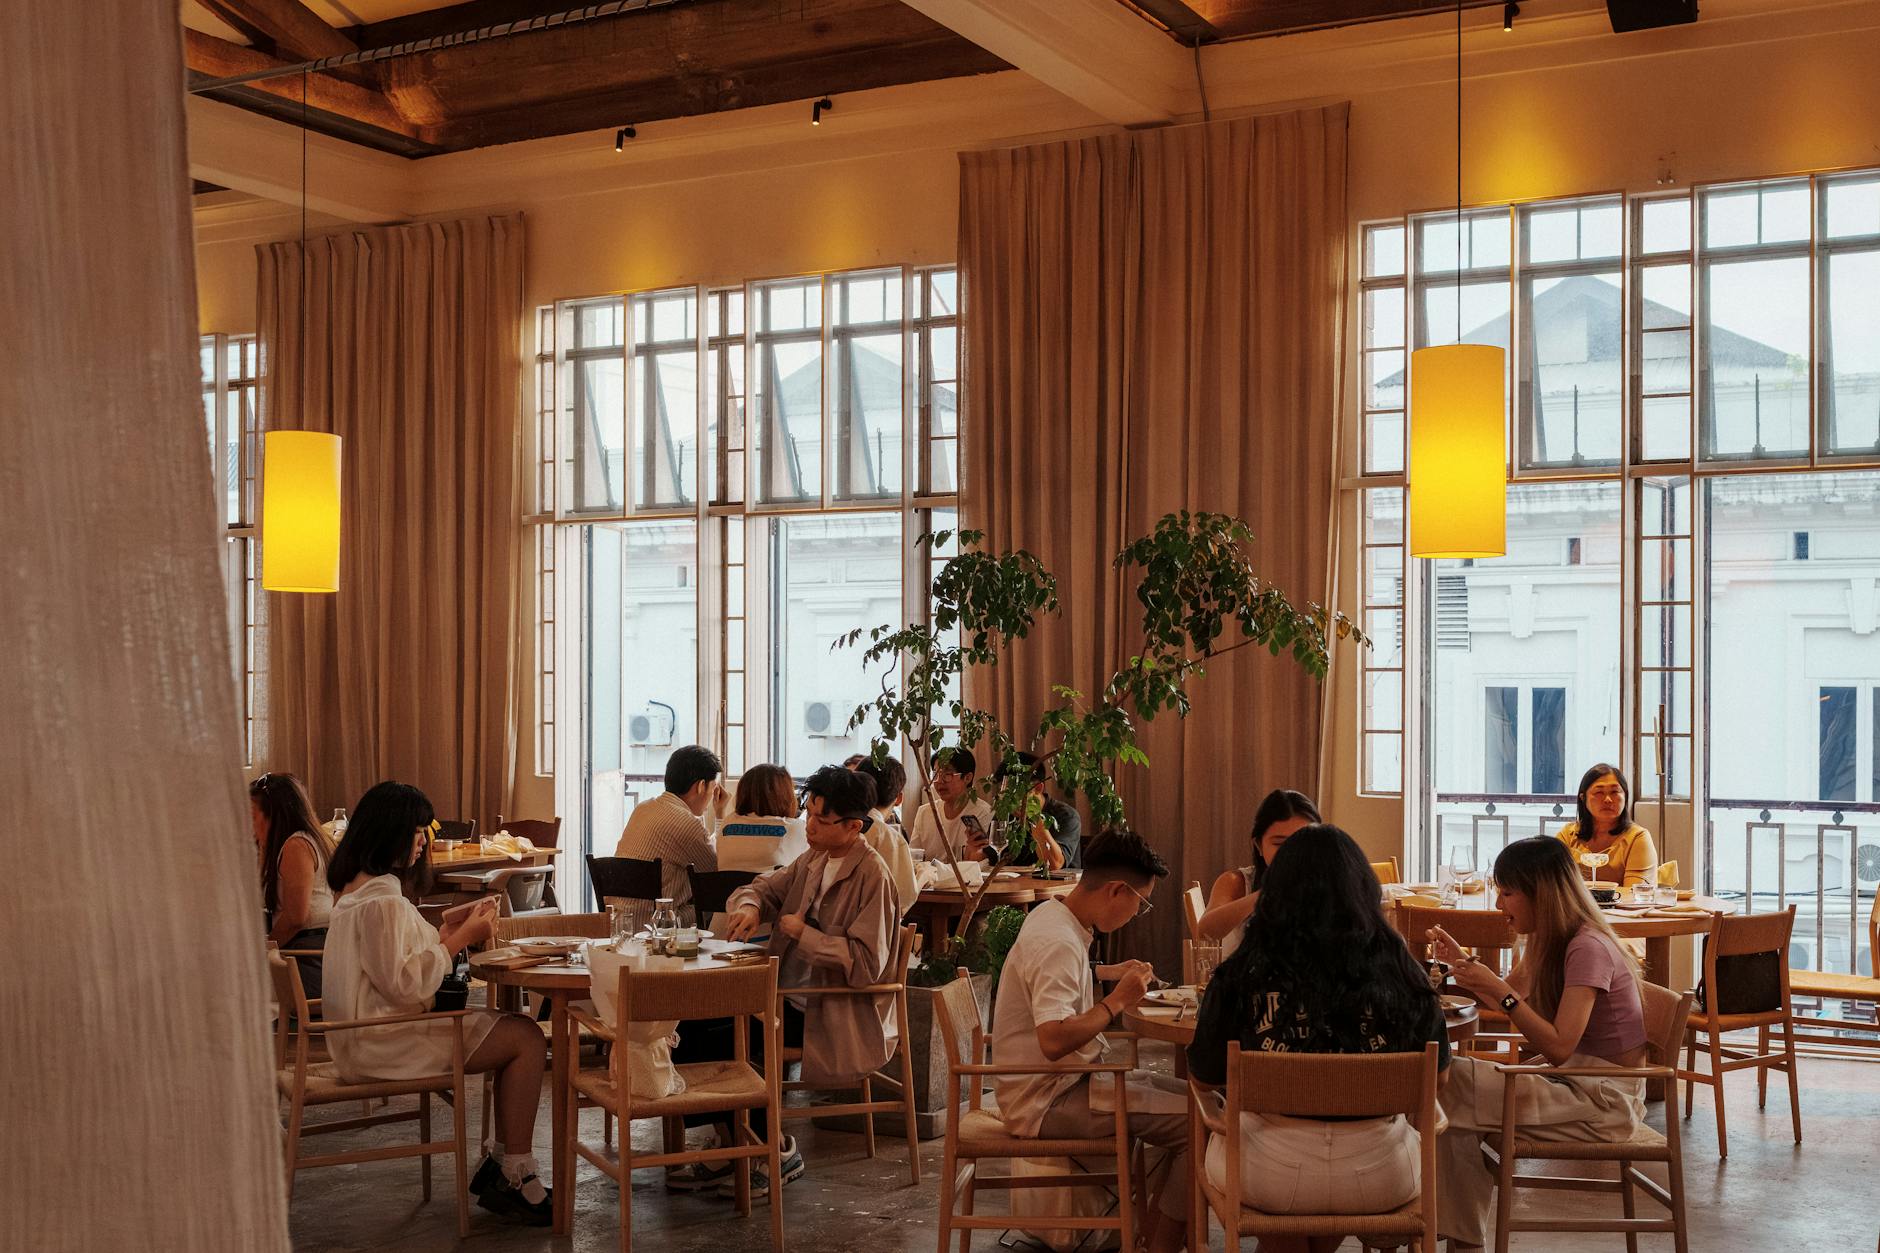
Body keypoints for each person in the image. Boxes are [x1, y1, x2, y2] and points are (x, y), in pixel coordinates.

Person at [1186, 825, 1448, 1252]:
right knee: (1328, 1194)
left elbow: (1204, 1075)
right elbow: (1437, 1083)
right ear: (1363, 888)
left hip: (1268, 1171)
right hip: (1379, 1175)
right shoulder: (1403, 970)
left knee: (1274, 1187)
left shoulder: (1241, 972)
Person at [322, 781, 553, 1225]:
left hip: (363, 1034)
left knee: (514, 1031)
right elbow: (406, 987)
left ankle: (508, 1167)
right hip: (379, 1041)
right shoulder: (382, 901)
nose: (422, 840)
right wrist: (461, 939)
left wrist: (447, 936)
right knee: (525, 1037)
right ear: (391, 832)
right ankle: (516, 1171)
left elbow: (397, 967)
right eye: (415, 831)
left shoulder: (360, 891)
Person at [673, 766, 899, 1198]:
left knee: (737, 1040)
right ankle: (733, 1144)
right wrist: (752, 907)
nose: (809, 826)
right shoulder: (815, 858)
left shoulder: (873, 876)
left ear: (855, 826)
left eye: (821, 820)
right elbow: (764, 886)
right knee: (687, 1030)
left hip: (831, 1008)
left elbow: (866, 965)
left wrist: (803, 934)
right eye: (808, 814)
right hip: (787, 999)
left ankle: (774, 1151)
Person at [1430, 836, 1650, 1250]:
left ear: (1542, 895)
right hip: (1572, 1084)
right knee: (1446, 1101)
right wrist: (1464, 968)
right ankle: (1462, 1239)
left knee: (1445, 1081)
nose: (1499, 905)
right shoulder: (1552, 940)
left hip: (1603, 1102)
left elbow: (1559, 1046)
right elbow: (1504, 994)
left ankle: (1432, 1230)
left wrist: (1498, 990)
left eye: (1508, 892)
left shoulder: (1587, 948)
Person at [991, 829, 1191, 1253]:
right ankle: (1158, 1244)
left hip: (1064, 1084)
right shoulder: (1058, 942)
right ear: (1118, 890)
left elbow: (1059, 980)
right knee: (1204, 1124)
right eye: (1142, 902)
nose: (1139, 912)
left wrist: (1104, 973)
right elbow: (1052, 1039)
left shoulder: (1054, 914)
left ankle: (1148, 1233)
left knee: (1200, 1103)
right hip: (1046, 1100)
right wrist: (1118, 1001)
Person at [1196, 789, 1321, 953]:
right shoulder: (1238, 882)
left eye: (1303, 842)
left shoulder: (1328, 884)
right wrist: (1266, 894)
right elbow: (1205, 933)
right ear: (1259, 845)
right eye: (1279, 844)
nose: (1292, 852)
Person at [251, 771, 337, 999]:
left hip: (307, 958)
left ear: (274, 815)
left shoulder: (297, 846)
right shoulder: (300, 841)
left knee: (224, 984)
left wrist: (264, 949)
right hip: (302, 950)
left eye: (252, 816)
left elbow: (296, 918)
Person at [616, 744, 724, 905]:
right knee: (722, 905)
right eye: (713, 788)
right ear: (701, 786)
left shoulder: (643, 808)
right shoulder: (686, 823)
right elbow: (715, 872)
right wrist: (720, 816)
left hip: (621, 919)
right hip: (659, 921)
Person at [1554, 763, 1659, 888]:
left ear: (1625, 796)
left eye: (1615, 792)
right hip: (1575, 907)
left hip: (1621, 907)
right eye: (1599, 792)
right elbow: (1553, 885)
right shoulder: (1568, 835)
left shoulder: (1637, 837)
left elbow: (1633, 895)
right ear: (1583, 798)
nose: (1608, 799)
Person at [851, 753, 920, 917]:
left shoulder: (839, 825)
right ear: (899, 798)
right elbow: (903, 900)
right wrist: (923, 877)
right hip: (871, 932)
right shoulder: (888, 837)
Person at [991, 751, 1080, 870]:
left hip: (1059, 887)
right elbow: (989, 859)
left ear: (1038, 788)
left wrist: (1034, 819)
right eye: (1003, 791)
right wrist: (973, 850)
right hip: (1014, 886)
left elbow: (1054, 864)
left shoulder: (1066, 815)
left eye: (1013, 791)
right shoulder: (1005, 814)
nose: (1006, 799)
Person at [715, 764, 808, 873]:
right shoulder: (796, 829)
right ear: (785, 796)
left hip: (728, 890)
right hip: (773, 890)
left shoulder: (726, 824)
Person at [907, 747, 993, 864]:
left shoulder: (983, 813)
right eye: (936, 774)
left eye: (947, 774)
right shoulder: (925, 812)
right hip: (930, 880)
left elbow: (979, 863)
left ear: (967, 778)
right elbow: (914, 857)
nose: (938, 781)